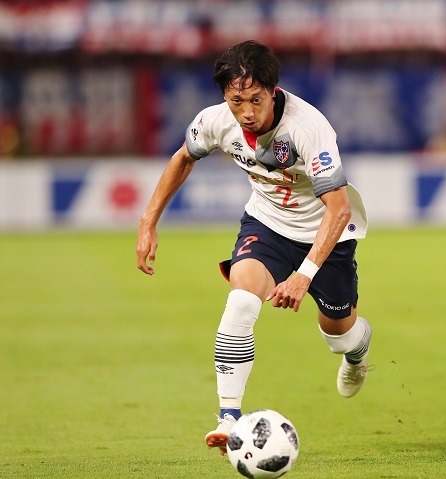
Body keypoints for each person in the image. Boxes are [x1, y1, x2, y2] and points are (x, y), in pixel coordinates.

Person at [136, 40, 373, 456]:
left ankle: (356, 354)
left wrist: (304, 276)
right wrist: (148, 221)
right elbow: (183, 158)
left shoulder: (307, 128)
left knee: (339, 335)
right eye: (236, 101)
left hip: (325, 234)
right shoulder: (215, 121)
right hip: (266, 226)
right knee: (241, 299)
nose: (246, 112)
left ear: (273, 91)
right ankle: (229, 417)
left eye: (256, 100)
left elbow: (338, 210)